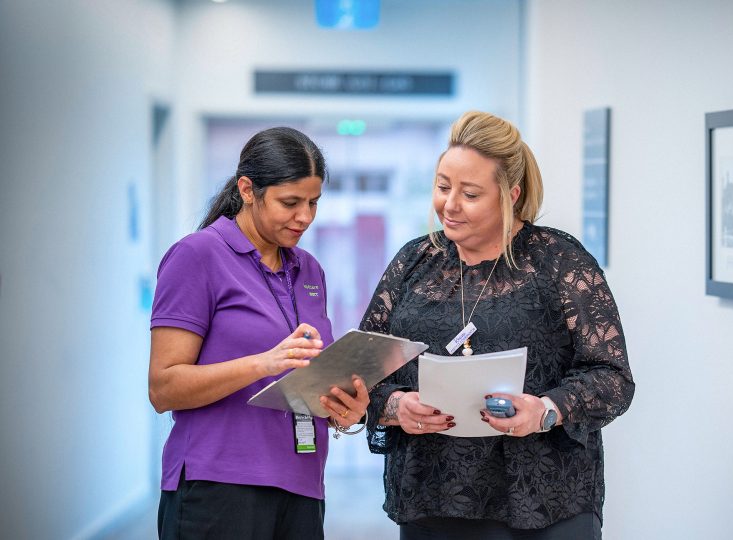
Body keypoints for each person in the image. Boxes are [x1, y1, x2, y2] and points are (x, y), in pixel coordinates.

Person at [360, 111, 634, 539]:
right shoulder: (415, 262)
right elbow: (363, 373)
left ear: (511, 194)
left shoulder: (557, 260)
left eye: (469, 194)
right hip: (434, 498)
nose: (449, 205)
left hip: (545, 501)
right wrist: (397, 407)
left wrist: (544, 410)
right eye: (442, 187)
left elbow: (612, 377)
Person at [148, 127, 369, 539]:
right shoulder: (197, 256)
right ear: (247, 189)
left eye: (313, 202)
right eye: (290, 202)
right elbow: (163, 388)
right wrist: (262, 364)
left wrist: (343, 407)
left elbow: (309, 378)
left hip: (302, 483)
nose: (304, 216)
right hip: (218, 485)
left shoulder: (309, 269)